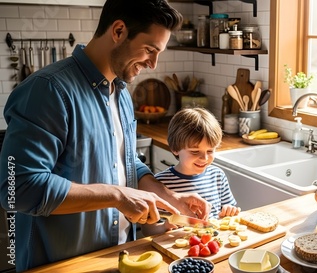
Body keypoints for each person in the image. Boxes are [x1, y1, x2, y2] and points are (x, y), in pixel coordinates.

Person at [0, 0, 210, 271]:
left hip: (122, 256)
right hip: (64, 264)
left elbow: (127, 162)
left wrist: (172, 198)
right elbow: (18, 188)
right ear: (119, 31)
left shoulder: (121, 92)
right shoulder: (48, 91)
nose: (153, 64)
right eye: (149, 50)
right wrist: (116, 195)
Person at [142, 108, 239, 236]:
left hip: (212, 245)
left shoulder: (217, 176)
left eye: (210, 151)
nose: (204, 158)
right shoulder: (159, 184)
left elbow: (229, 213)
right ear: (175, 149)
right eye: (194, 152)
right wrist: (165, 226)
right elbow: (147, 230)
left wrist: (229, 211)